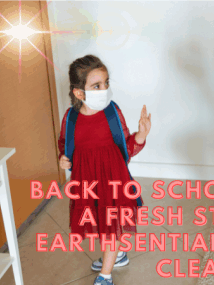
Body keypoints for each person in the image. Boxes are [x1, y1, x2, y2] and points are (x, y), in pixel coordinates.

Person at [57, 55, 152, 285]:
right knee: (100, 223)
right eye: (97, 86)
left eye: (106, 83)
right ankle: (117, 256)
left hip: (113, 180)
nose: (105, 89)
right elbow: (64, 144)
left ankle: (105, 275)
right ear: (79, 93)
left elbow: (126, 148)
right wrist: (62, 159)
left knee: (110, 226)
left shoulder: (112, 113)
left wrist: (141, 135)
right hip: (87, 181)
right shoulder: (70, 118)